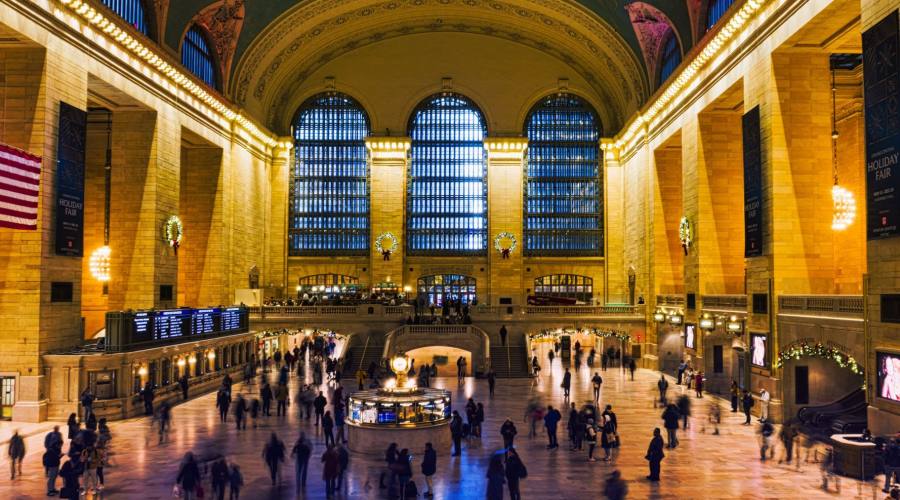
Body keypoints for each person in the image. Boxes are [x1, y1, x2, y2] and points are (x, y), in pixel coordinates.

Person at [44, 430, 63, 496]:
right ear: (57, 445)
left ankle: (52, 489)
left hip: (56, 465)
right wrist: (59, 456)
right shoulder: (52, 450)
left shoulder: (56, 449)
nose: (61, 447)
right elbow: (53, 458)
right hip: (52, 466)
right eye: (60, 445)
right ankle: (49, 490)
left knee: (54, 477)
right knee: (51, 478)